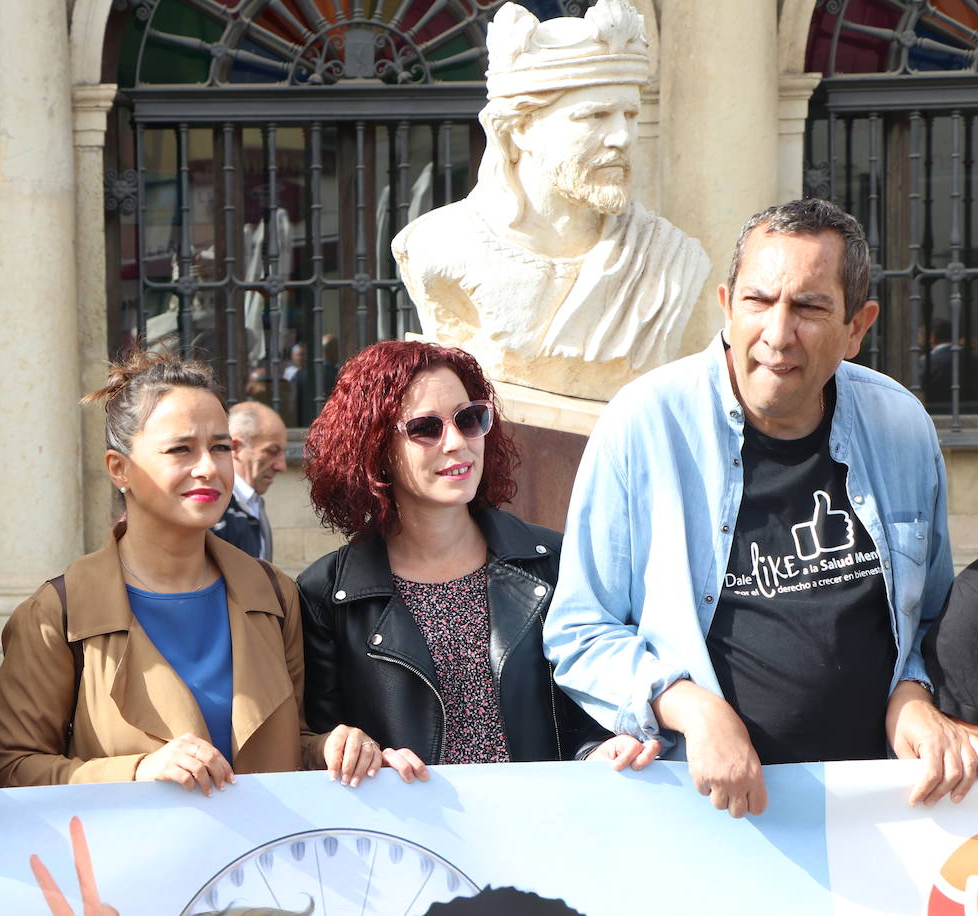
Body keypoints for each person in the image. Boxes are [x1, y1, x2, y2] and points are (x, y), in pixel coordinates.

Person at [543, 198, 975, 819]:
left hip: (879, 814)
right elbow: (578, 632)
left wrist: (913, 695)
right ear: (725, 305)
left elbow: (930, 617)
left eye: (809, 307)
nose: (778, 334)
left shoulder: (901, 425)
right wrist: (692, 708)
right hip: (705, 819)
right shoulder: (644, 425)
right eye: (758, 301)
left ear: (858, 327)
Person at [0, 353, 407, 794]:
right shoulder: (57, 613)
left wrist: (333, 750)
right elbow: (8, 771)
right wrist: (138, 772)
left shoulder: (274, 594)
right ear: (119, 469)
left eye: (221, 447)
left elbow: (288, 747)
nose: (208, 467)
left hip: (261, 858)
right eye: (180, 449)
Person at [297, 341, 632, 774]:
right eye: (425, 427)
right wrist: (353, 753)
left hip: (545, 826)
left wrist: (598, 750)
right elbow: (316, 746)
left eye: (469, 418)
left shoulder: (554, 561)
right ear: (375, 448)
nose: (457, 442)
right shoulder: (327, 595)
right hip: (413, 836)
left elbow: (587, 712)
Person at [391, 0, 709, 400]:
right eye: (595, 117)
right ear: (520, 128)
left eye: (630, 115)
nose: (622, 138)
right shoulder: (435, 246)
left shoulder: (668, 257)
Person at [212, 401, 288, 561]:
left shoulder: (252, 502)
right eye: (272, 451)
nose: (282, 466)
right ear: (236, 448)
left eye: (282, 453)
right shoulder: (215, 509)